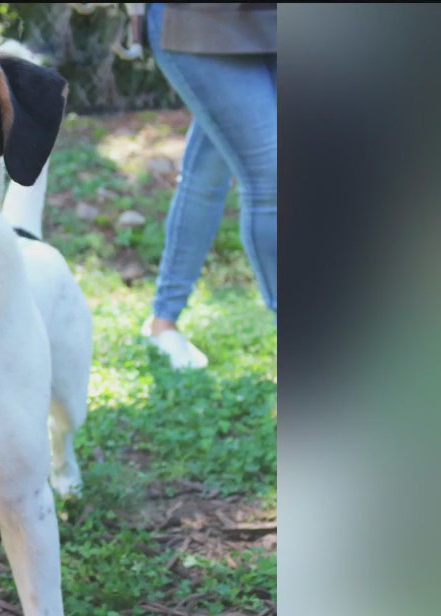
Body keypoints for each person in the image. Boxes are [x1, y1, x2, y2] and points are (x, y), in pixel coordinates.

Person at [137, 3, 277, 369]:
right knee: (272, 180)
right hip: (199, 21)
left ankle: (163, 322)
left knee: (207, 174)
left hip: (273, 20)